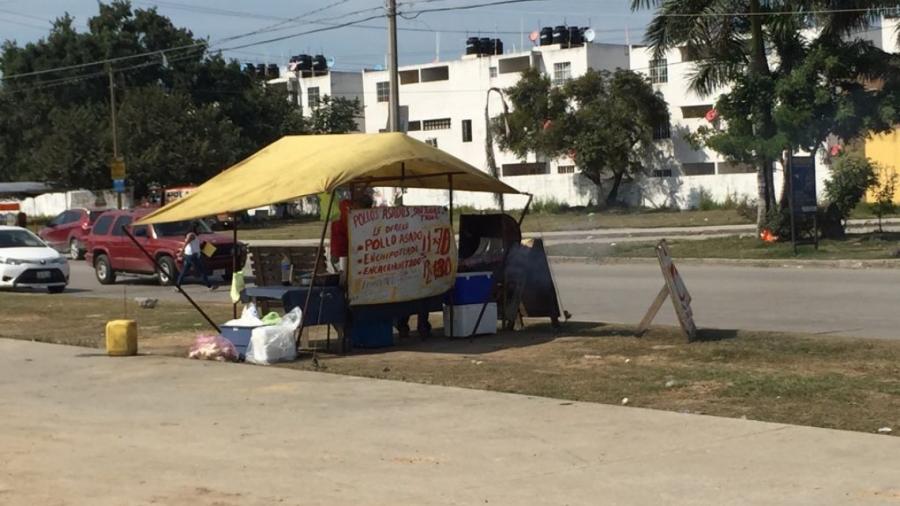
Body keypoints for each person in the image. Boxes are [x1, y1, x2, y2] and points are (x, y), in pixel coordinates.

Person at [176, 224, 217, 290]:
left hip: (190, 255)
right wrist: (181, 252)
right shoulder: (192, 235)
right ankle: (209, 286)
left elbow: (193, 245)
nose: (199, 230)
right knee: (202, 270)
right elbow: (186, 243)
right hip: (192, 256)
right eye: (198, 228)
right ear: (194, 228)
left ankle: (177, 286)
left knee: (184, 271)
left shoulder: (193, 235)